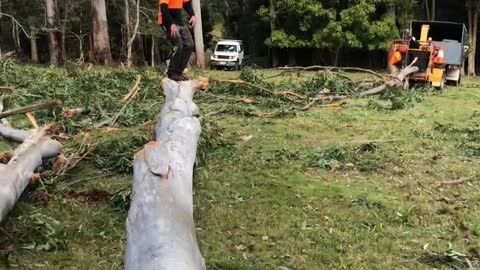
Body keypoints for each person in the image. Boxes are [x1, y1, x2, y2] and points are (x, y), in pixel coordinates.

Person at [158, 0, 197, 81]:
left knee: (189, 44)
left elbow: (186, 3)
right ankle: (172, 73)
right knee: (178, 46)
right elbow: (163, 8)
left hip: (179, 20)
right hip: (167, 21)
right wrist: (171, 24)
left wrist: (192, 15)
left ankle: (179, 72)